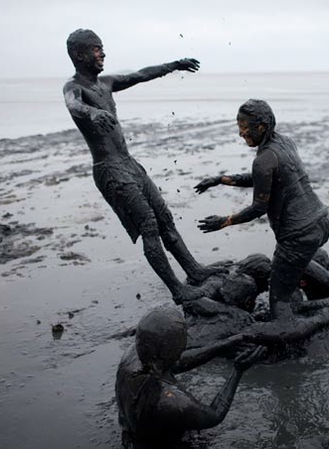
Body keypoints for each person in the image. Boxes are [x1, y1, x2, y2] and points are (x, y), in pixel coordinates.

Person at [63, 29, 218, 303]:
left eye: (102, 48)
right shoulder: (75, 88)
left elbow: (140, 74)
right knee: (148, 225)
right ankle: (178, 291)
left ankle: (194, 271)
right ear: (79, 54)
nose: (103, 54)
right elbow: (73, 105)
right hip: (108, 168)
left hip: (130, 164)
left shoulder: (106, 83)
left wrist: (174, 65)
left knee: (165, 218)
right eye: (97, 49)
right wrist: (93, 112)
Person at [194, 99, 329, 320]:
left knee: (278, 301)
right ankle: (321, 298)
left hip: (298, 235)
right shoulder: (286, 143)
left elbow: (259, 208)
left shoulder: (264, 159)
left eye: (244, 127)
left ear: (261, 127)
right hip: (322, 221)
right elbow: (264, 180)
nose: (240, 133)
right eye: (238, 126)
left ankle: (295, 336)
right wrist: (220, 179)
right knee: (291, 274)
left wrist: (223, 221)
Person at [115, 306, 264, 448]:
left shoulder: (133, 355)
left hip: (132, 434)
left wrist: (223, 346)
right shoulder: (170, 399)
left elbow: (176, 361)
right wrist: (238, 370)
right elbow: (214, 415)